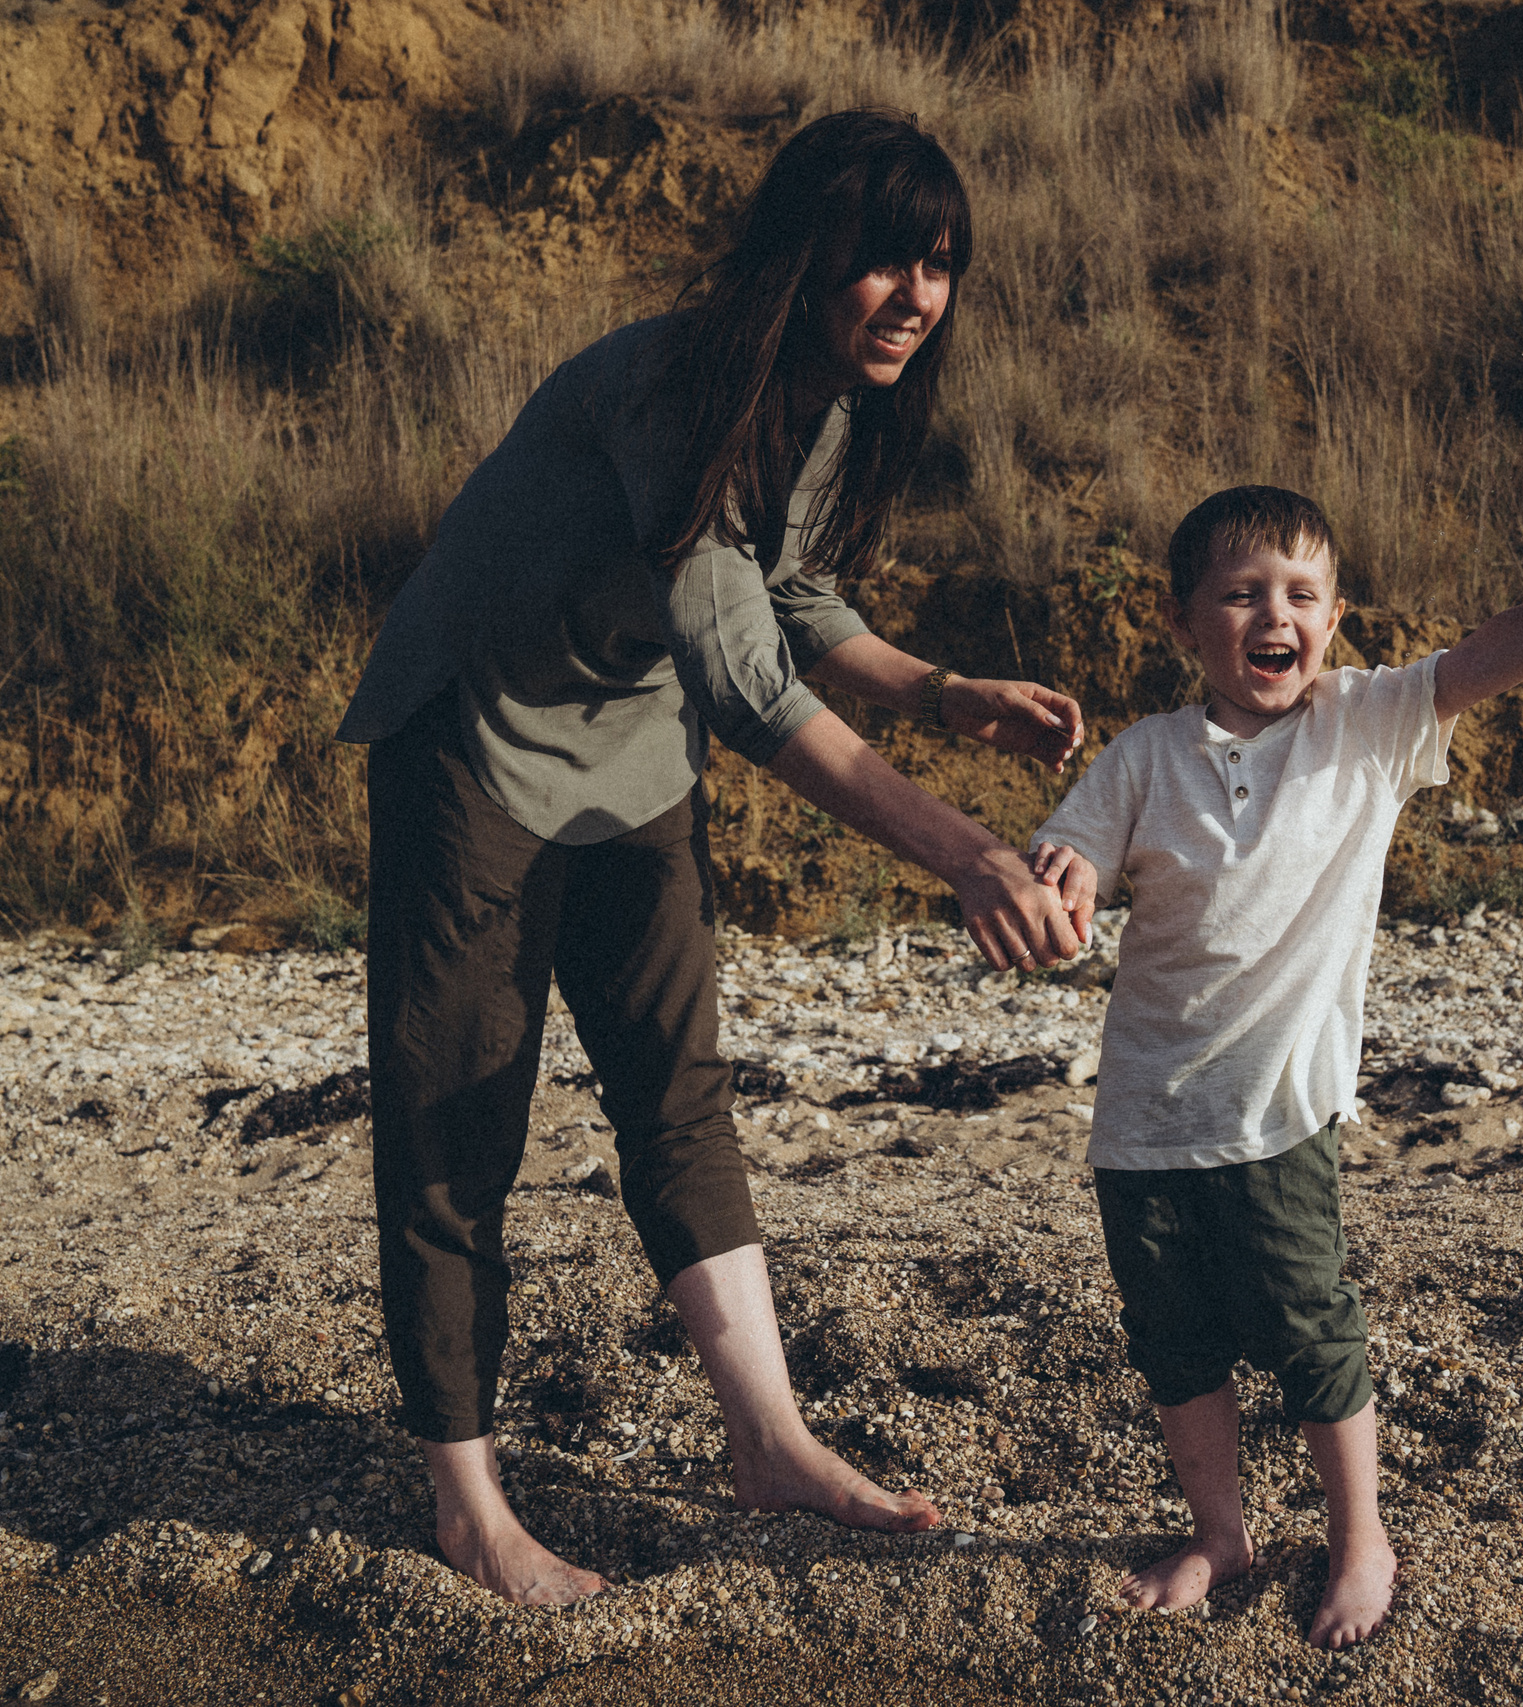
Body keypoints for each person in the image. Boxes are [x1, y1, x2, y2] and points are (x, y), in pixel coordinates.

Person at [335, 110, 1090, 1606]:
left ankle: (770, 1436)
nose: (914, 296)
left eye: (938, 267)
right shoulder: (675, 390)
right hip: (475, 734)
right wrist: (960, 850)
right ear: (804, 253)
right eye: (884, 259)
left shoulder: (825, 401)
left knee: (678, 1093)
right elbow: (748, 686)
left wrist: (938, 690)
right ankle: (469, 1502)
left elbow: (790, 592)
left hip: (631, 747)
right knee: (453, 1123)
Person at [1026, 486, 1523, 1648]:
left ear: (1333, 618)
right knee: (1173, 1345)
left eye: (1300, 594)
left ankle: (1358, 1539)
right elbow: (1071, 848)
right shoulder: (1145, 756)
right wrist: (1062, 884)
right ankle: (1219, 1536)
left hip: (1279, 1111)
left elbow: (1495, 652)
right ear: (1185, 624)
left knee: (1309, 1325)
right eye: (1238, 594)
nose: (1271, 614)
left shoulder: (1362, 726)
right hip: (1141, 1120)